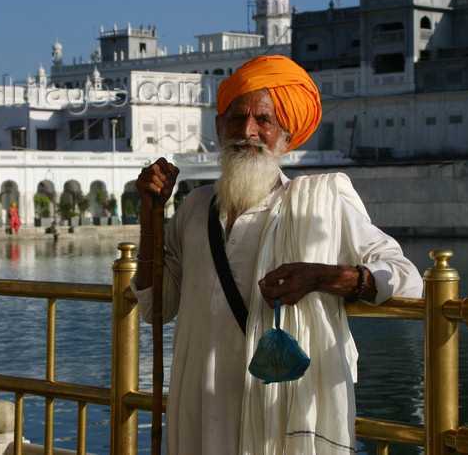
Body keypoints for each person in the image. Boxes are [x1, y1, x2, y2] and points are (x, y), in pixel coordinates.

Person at [131, 55, 423, 455]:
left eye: (264, 120)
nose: (247, 131)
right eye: (236, 118)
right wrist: (149, 213)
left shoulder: (317, 206)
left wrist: (323, 277)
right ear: (219, 127)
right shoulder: (194, 209)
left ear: (286, 136)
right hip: (197, 409)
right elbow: (156, 308)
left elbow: (405, 277)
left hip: (276, 415)